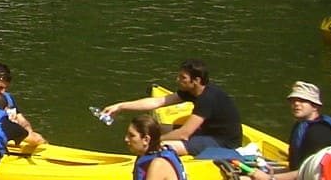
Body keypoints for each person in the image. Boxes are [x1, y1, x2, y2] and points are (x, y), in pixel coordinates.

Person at [98, 59, 242, 157]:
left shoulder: (208, 98)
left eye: (182, 78)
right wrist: (121, 106)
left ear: (196, 81)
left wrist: (154, 141)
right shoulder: (191, 91)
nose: (177, 80)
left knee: (160, 145)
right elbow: (158, 102)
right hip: (206, 132)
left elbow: (184, 134)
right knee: (154, 128)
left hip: (222, 142)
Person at [242, 81, 331, 180]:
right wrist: (266, 171)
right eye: (293, 100)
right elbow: (297, 166)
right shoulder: (302, 126)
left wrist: (269, 178)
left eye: (302, 100)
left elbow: (311, 174)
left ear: (315, 106)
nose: (296, 104)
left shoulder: (320, 134)